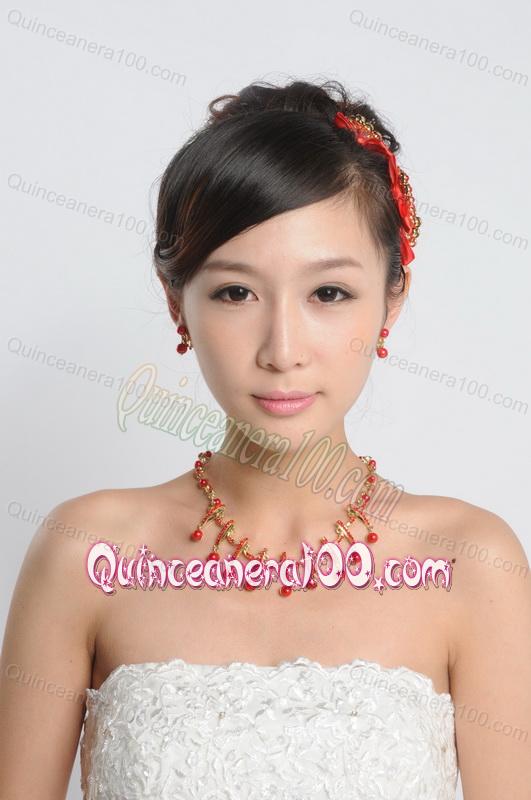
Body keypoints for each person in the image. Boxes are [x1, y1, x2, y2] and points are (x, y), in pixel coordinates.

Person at [1, 78, 530, 800]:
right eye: (235, 292)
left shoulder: (470, 564)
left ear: (390, 302)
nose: (282, 350)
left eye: (328, 293)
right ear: (176, 304)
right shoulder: (87, 555)